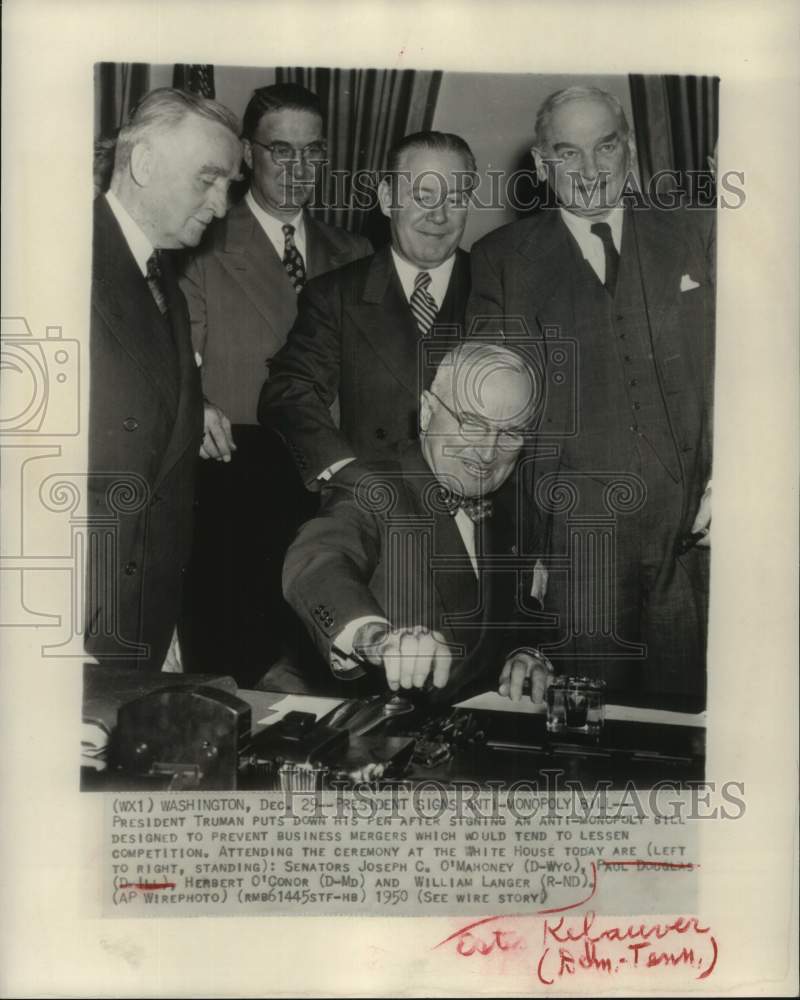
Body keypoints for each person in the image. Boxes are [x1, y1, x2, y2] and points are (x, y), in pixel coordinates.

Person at [467, 85, 715, 701]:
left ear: (629, 148)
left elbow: (745, 373)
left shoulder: (696, 233)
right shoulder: (502, 259)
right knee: (588, 724)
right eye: (567, 152)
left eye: (605, 147)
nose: (590, 169)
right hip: (578, 549)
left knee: (698, 725)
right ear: (542, 164)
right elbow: (495, 418)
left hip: (694, 536)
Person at [177, 83, 370, 683]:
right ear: (246, 152)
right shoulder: (201, 241)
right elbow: (178, 363)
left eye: (312, 151)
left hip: (336, 491)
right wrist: (197, 401)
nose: (298, 167)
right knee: (249, 675)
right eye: (281, 150)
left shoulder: (356, 250)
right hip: (239, 492)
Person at [281, 342, 552, 703]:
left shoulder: (514, 506)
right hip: (351, 717)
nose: (488, 452)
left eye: (511, 433)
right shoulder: (371, 487)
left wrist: (525, 652)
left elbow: (524, 606)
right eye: (472, 423)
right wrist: (377, 639)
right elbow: (318, 560)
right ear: (426, 412)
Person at [87, 88, 242, 671]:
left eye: (228, 185)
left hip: (138, 618)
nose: (221, 207)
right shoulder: (59, 260)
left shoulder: (162, 283)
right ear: (145, 163)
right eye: (208, 179)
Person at [258, 130, 475, 491]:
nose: (439, 216)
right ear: (387, 199)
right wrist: (343, 471)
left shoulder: (497, 286)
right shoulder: (335, 294)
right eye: (423, 197)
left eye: (455, 198)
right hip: (372, 502)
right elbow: (290, 391)